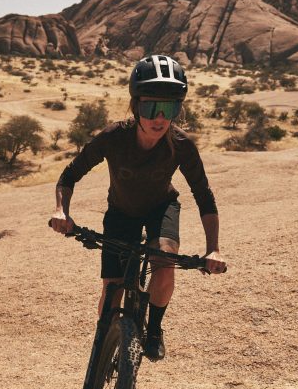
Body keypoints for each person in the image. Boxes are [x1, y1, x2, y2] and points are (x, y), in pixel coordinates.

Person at [50, 54, 226, 362]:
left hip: (161, 208)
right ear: (135, 107)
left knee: (164, 259)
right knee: (112, 290)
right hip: (121, 212)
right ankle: (103, 344)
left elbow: (204, 196)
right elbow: (69, 175)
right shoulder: (113, 137)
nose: (159, 118)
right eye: (150, 108)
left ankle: (154, 330)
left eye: (169, 108)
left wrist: (213, 249)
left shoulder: (181, 144)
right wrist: (61, 211)